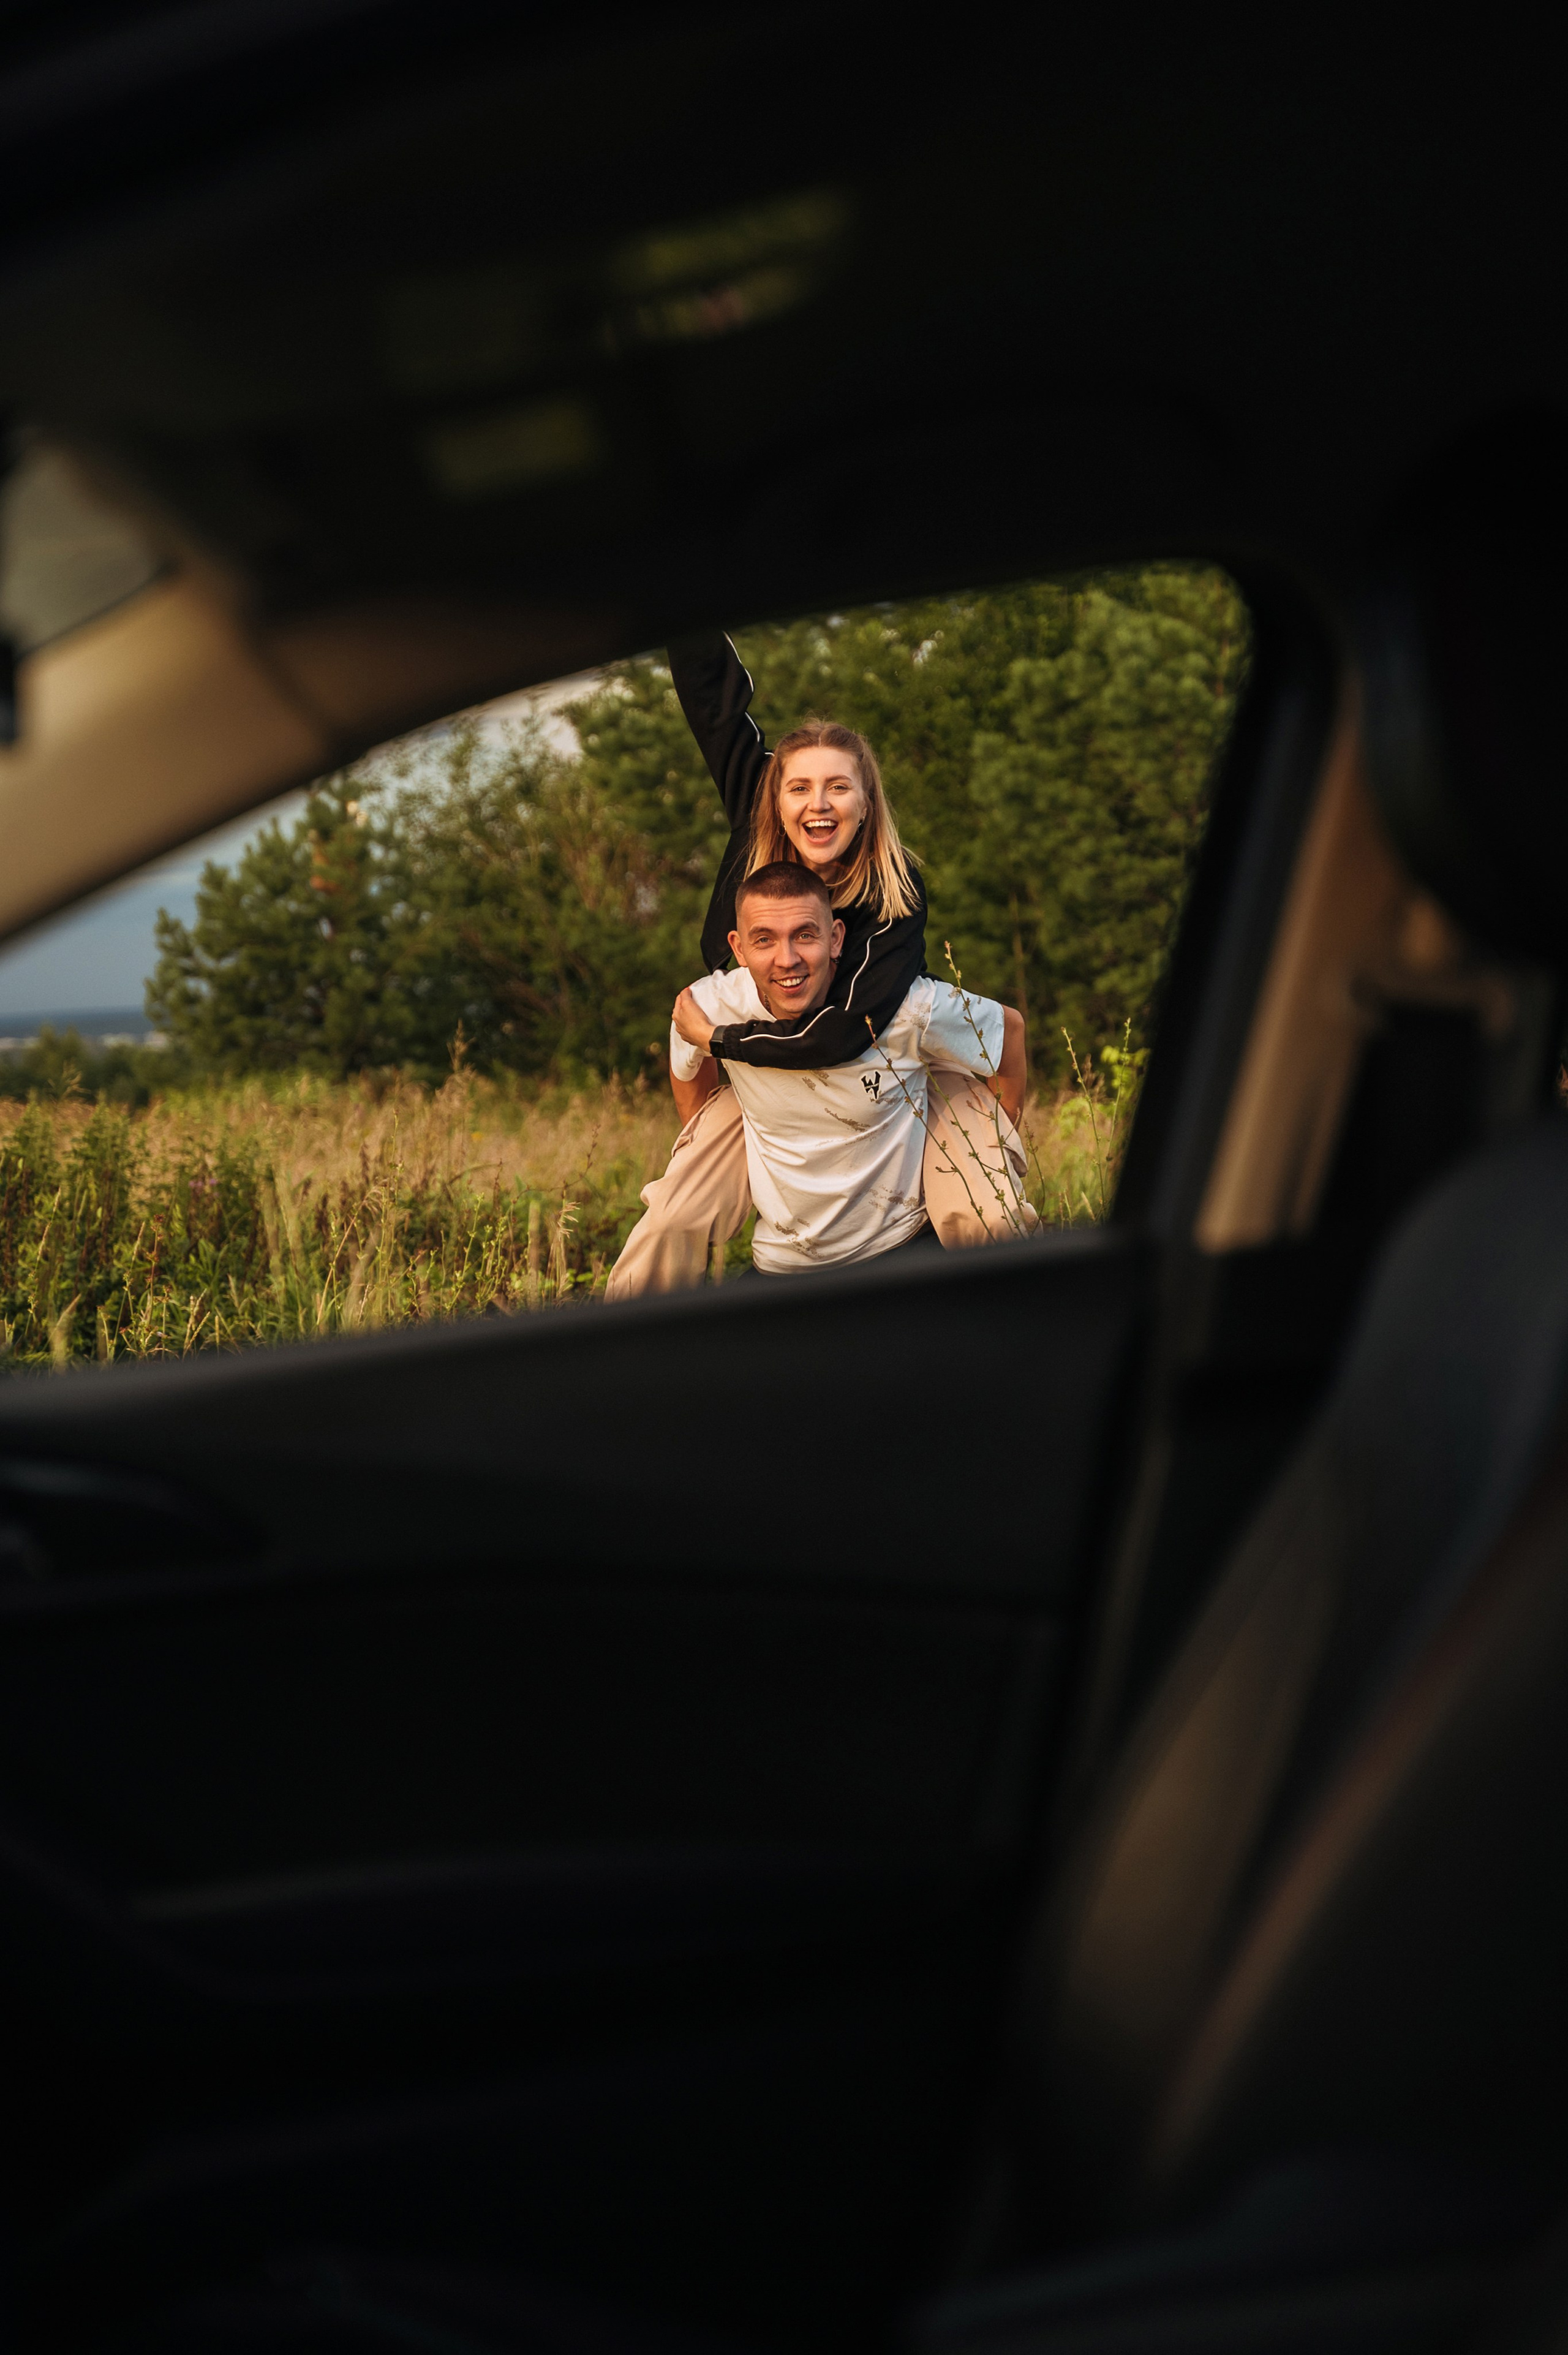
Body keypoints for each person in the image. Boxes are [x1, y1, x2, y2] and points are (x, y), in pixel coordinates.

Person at [606, 632, 1032, 1293]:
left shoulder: (894, 896)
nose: (819, 804)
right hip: (763, 1064)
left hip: (883, 1054)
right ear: (774, 798)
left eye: (839, 788)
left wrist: (719, 1040)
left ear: (867, 804)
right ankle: (618, 1360)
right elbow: (715, 709)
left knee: (981, 1212)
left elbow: (846, 1032)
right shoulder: (756, 824)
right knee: (670, 1220)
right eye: (800, 788)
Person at [608, 864, 1033, 1289]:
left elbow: (1007, 1031)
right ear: (737, 948)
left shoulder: (903, 1008)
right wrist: (717, 1142)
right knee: (667, 1223)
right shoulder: (709, 1007)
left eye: (805, 935)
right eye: (764, 940)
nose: (788, 959)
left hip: (900, 1250)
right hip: (782, 1265)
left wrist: (991, 1136)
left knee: (994, 1224)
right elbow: (688, 1066)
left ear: (836, 939)